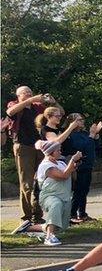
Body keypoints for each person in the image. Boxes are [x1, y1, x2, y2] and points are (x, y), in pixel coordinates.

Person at [13, 141, 82, 245]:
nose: (60, 152)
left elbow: (69, 175)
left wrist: (74, 166)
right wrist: (72, 160)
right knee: (56, 204)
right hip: (50, 196)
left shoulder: (61, 163)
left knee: (60, 227)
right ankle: (49, 237)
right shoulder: (45, 165)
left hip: (64, 197)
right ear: (50, 152)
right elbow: (62, 175)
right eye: (58, 150)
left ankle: (28, 228)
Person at [6, 86, 49, 227]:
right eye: (26, 93)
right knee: (26, 183)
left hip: (39, 146)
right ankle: (26, 217)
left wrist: (53, 103)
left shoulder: (37, 107)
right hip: (23, 146)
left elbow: (57, 113)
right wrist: (30, 100)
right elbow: (10, 112)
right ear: (18, 95)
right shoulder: (14, 104)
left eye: (31, 92)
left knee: (40, 182)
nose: (30, 94)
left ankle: (38, 215)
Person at [62, 114, 102, 224]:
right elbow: (82, 147)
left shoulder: (84, 133)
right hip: (79, 166)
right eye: (79, 120)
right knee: (78, 190)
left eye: (82, 119)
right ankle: (72, 214)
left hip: (88, 164)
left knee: (84, 190)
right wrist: (91, 136)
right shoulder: (72, 135)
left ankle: (82, 213)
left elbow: (95, 146)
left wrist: (96, 135)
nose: (82, 121)